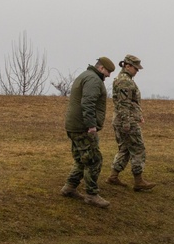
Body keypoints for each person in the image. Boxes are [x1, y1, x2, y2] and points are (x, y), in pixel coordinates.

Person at [60, 57, 115, 208]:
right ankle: (91, 194)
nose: (109, 75)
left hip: (74, 125)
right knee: (94, 159)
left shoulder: (85, 75)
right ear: (101, 68)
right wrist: (91, 126)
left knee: (81, 159)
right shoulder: (93, 80)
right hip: (83, 127)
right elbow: (88, 103)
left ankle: (69, 188)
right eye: (108, 71)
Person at [107, 54, 156, 191]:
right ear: (127, 66)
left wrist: (137, 115)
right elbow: (124, 104)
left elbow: (128, 104)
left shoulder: (123, 79)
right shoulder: (125, 82)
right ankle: (138, 181)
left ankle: (113, 176)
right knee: (138, 148)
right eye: (135, 68)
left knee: (125, 149)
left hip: (122, 119)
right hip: (126, 121)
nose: (137, 71)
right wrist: (127, 123)